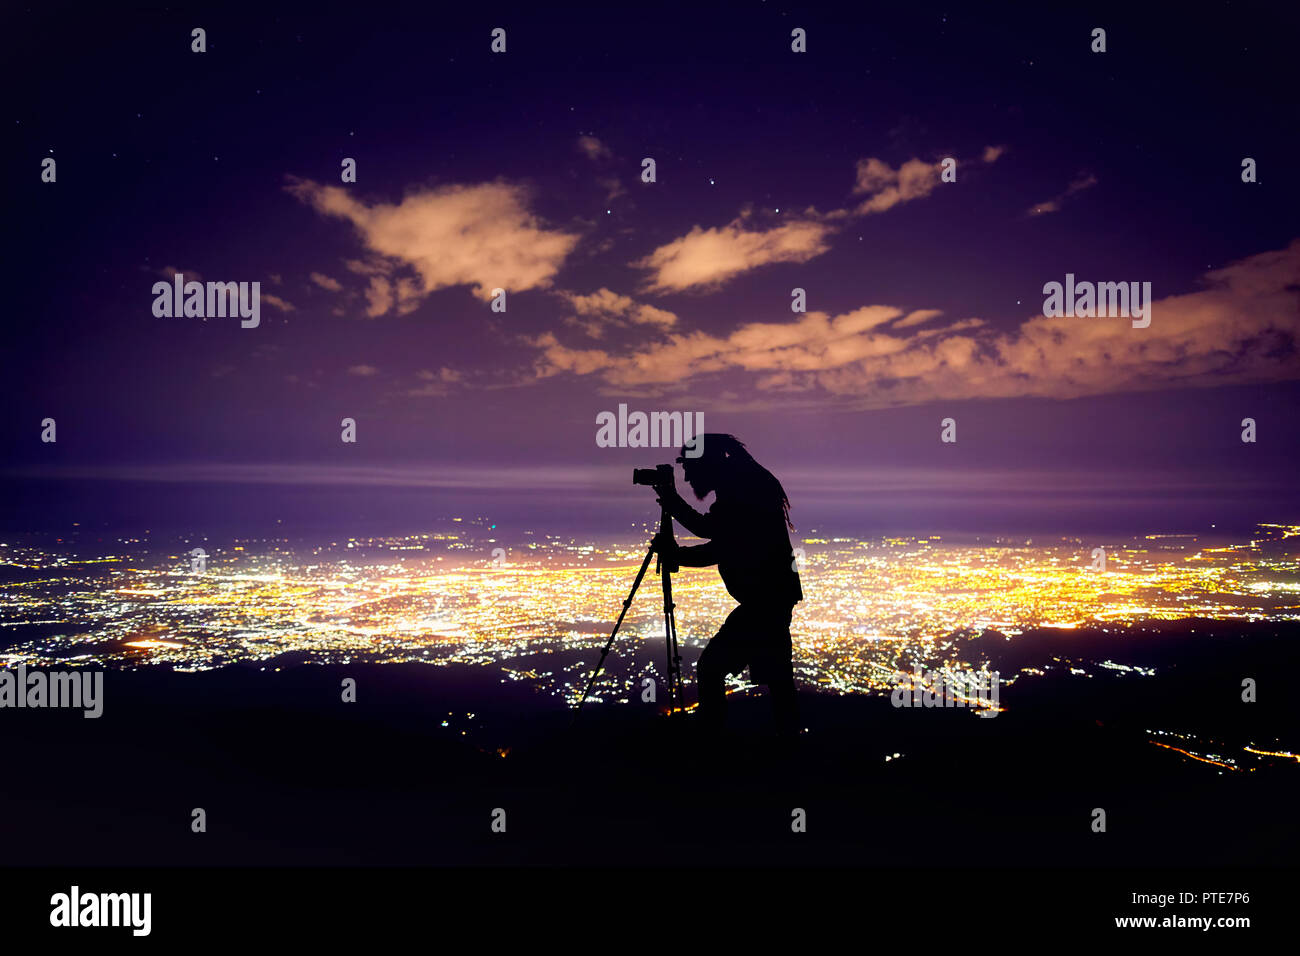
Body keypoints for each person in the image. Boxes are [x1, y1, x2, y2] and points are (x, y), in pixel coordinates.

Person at [653, 434, 803, 734]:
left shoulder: (740, 488)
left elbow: (714, 536)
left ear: (706, 464)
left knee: (713, 667)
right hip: (771, 598)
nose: (686, 475)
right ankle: (788, 746)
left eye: (689, 468)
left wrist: (672, 503)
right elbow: (723, 541)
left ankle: (715, 744)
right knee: (776, 674)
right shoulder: (744, 483)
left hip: (765, 601)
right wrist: (679, 554)